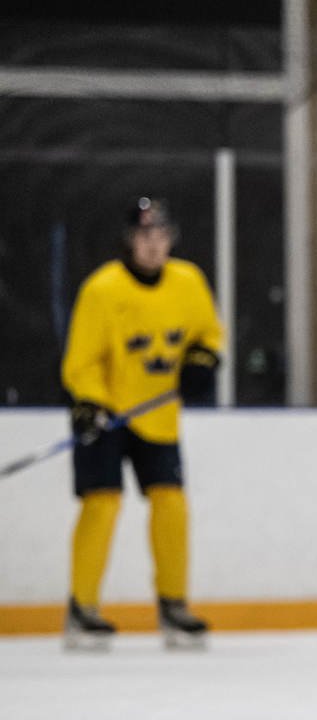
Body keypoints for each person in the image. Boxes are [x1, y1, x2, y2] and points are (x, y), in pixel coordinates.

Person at [60, 196, 225, 651]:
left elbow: (208, 334)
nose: (152, 245)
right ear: (130, 241)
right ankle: (82, 607)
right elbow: (82, 359)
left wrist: (202, 358)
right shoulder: (103, 289)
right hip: (106, 417)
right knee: (102, 504)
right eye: (143, 236)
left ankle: (173, 604)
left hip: (158, 418)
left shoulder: (189, 282)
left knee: (171, 504)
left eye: (159, 235)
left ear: (170, 238)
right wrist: (91, 403)